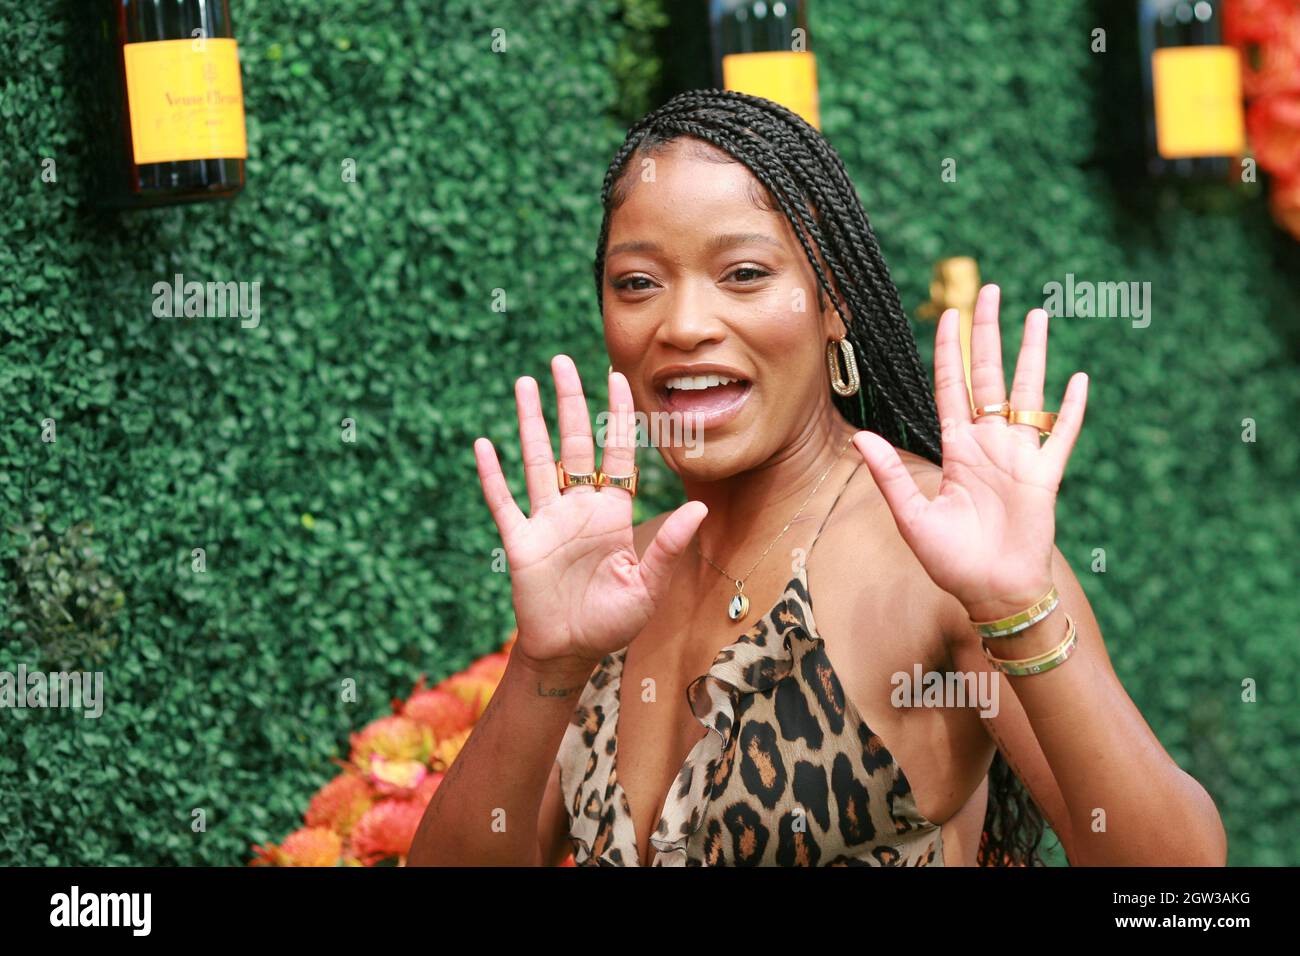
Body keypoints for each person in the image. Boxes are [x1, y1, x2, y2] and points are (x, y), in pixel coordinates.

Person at [408, 89, 1226, 867]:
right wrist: (543, 667)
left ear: (832, 299)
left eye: (745, 275)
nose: (685, 324)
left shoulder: (938, 554)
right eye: (637, 284)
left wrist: (1019, 612)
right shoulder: (617, 584)